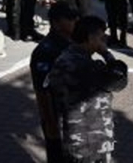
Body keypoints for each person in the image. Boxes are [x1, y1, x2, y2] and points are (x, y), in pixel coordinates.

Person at [47, 16, 128, 163]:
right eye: (101, 37)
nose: (104, 40)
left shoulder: (65, 58)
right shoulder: (86, 67)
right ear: (90, 38)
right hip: (90, 142)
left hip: (76, 138)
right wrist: (106, 53)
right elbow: (119, 81)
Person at [30, 2, 79, 163]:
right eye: (70, 18)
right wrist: (51, 124)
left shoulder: (73, 43)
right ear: (56, 23)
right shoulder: (45, 51)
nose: (75, 21)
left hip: (76, 115)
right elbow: (42, 91)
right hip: (57, 119)